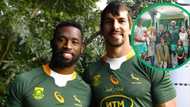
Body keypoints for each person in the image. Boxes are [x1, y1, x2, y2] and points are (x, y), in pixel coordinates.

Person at [83, 1, 176, 107]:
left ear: (130, 28)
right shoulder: (91, 72)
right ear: (102, 29)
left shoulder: (151, 67)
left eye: (121, 21)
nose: (115, 27)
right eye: (109, 21)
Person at [6, 21, 91, 107]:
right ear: (52, 43)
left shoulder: (86, 91)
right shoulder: (24, 82)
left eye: (74, 42)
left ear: (82, 48)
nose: (68, 46)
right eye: (61, 40)